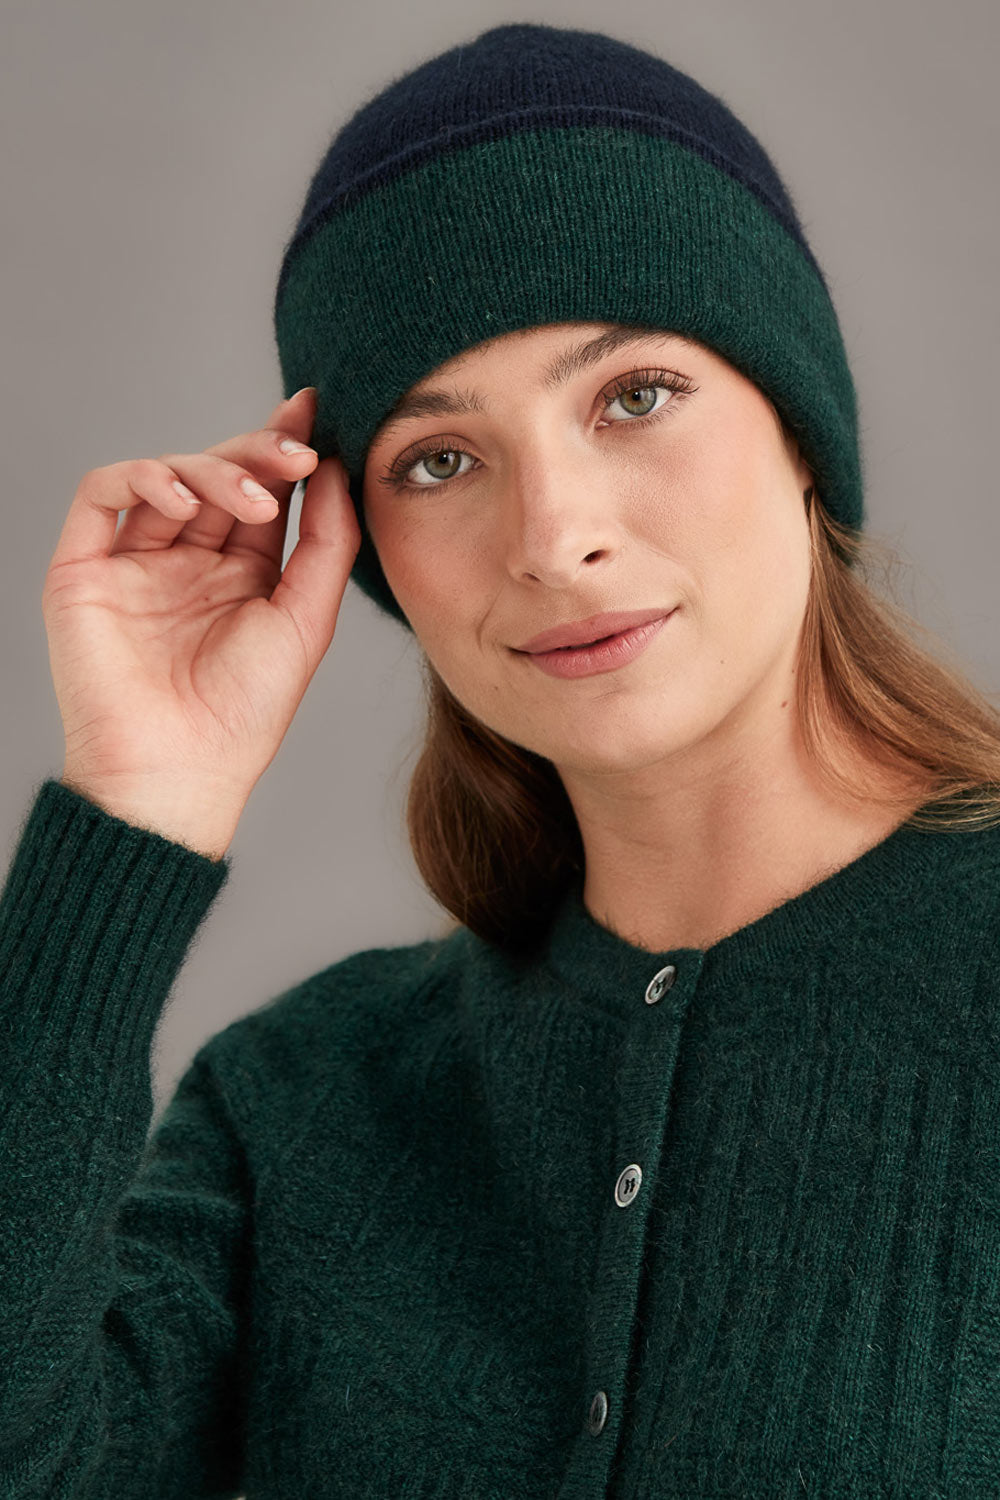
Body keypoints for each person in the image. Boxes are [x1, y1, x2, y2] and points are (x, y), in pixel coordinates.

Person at [2, 20, 1000, 1499]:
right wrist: (137, 802)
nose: (553, 539)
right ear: (360, 540)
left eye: (636, 396)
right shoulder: (303, 1103)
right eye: (439, 460)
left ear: (799, 427)